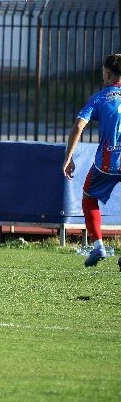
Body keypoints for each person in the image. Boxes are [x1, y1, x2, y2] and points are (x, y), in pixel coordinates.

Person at [63, 53, 121, 268]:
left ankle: (98, 246)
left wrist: (68, 158)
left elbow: (78, 126)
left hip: (107, 163)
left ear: (107, 74)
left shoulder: (100, 97)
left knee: (88, 196)